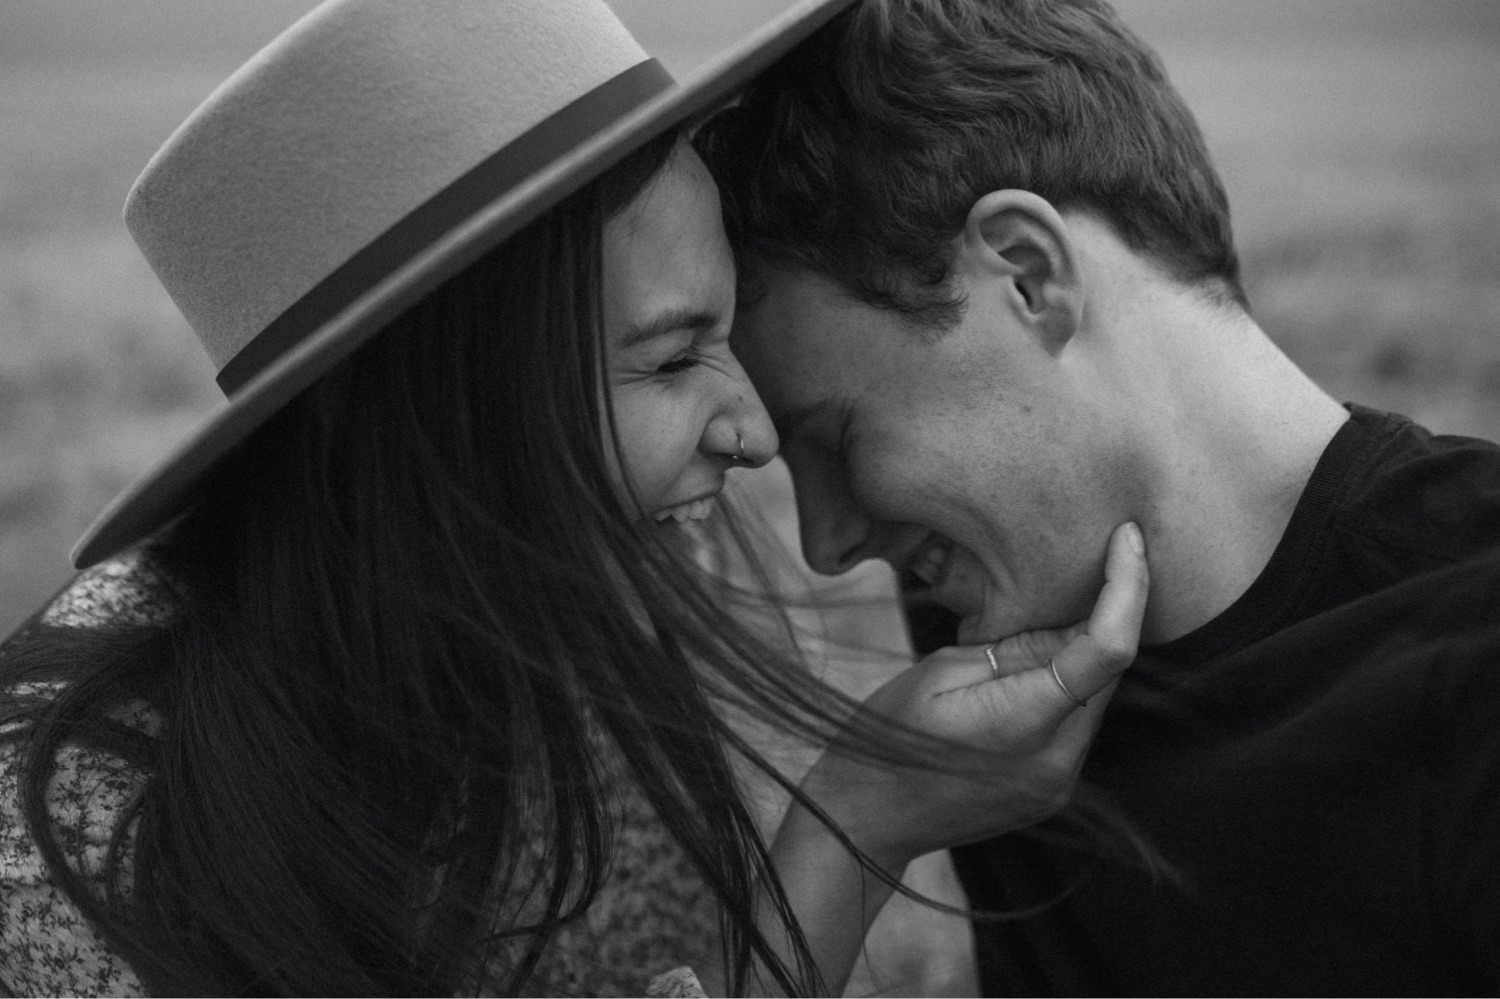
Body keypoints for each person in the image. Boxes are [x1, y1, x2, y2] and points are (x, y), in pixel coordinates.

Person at [0, 0, 1152, 995]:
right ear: (429, 418)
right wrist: (851, 835)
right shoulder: (61, 861)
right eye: (667, 356)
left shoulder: (612, 660)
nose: (752, 434)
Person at [697, 0, 1500, 994]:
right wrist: (861, 818)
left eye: (836, 440)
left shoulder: (1468, 655)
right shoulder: (992, 670)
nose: (826, 544)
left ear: (1029, 276)